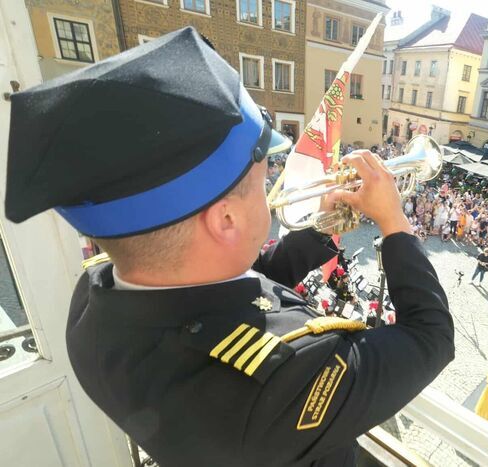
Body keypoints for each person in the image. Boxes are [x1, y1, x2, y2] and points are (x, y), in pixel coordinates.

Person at [5, 28, 455, 467]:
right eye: (263, 183)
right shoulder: (283, 377)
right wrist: (394, 221)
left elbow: (233, 289)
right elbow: (431, 338)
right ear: (225, 219)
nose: (272, 189)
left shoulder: (93, 298)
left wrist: (322, 230)